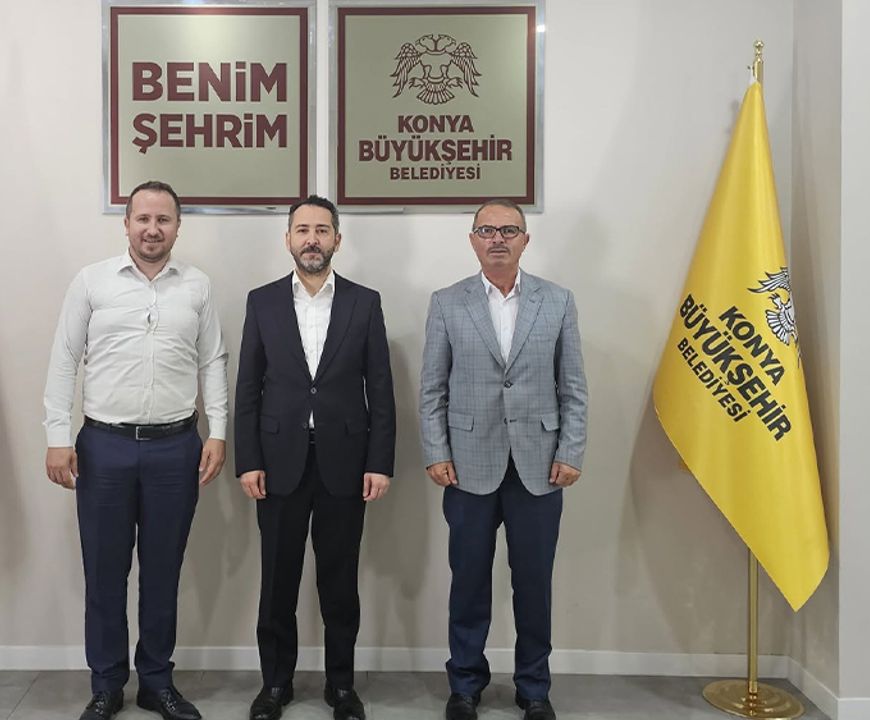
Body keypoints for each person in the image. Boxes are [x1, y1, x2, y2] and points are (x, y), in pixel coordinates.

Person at [43, 180, 228, 720]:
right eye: (142, 219)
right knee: (105, 572)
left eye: (163, 220)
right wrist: (57, 437)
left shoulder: (197, 286)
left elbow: (212, 361)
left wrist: (218, 431)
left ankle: (156, 682)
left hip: (176, 449)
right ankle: (106, 684)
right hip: (104, 448)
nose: (152, 229)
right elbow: (63, 360)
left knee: (162, 572)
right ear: (126, 224)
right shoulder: (91, 282)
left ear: (177, 227)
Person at [419, 199, 588, 720]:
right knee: (468, 582)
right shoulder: (448, 302)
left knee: (533, 584)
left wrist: (571, 450)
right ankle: (465, 685)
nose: (498, 238)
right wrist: (436, 452)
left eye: (509, 230)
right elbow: (432, 389)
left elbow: (573, 387)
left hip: (541, 466)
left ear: (525, 240)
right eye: (487, 230)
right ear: (473, 239)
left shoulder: (557, 301)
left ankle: (533, 688)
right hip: (467, 465)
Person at [235, 195, 396, 720]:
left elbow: (381, 390)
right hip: (277, 463)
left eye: (322, 230)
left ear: (337, 240)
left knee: (339, 583)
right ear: (287, 239)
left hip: (345, 464)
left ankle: (341, 687)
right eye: (302, 229)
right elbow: (248, 388)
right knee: (277, 583)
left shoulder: (364, 303)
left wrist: (379, 462)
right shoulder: (262, 302)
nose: (312, 239)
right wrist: (248, 459)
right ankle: (275, 685)